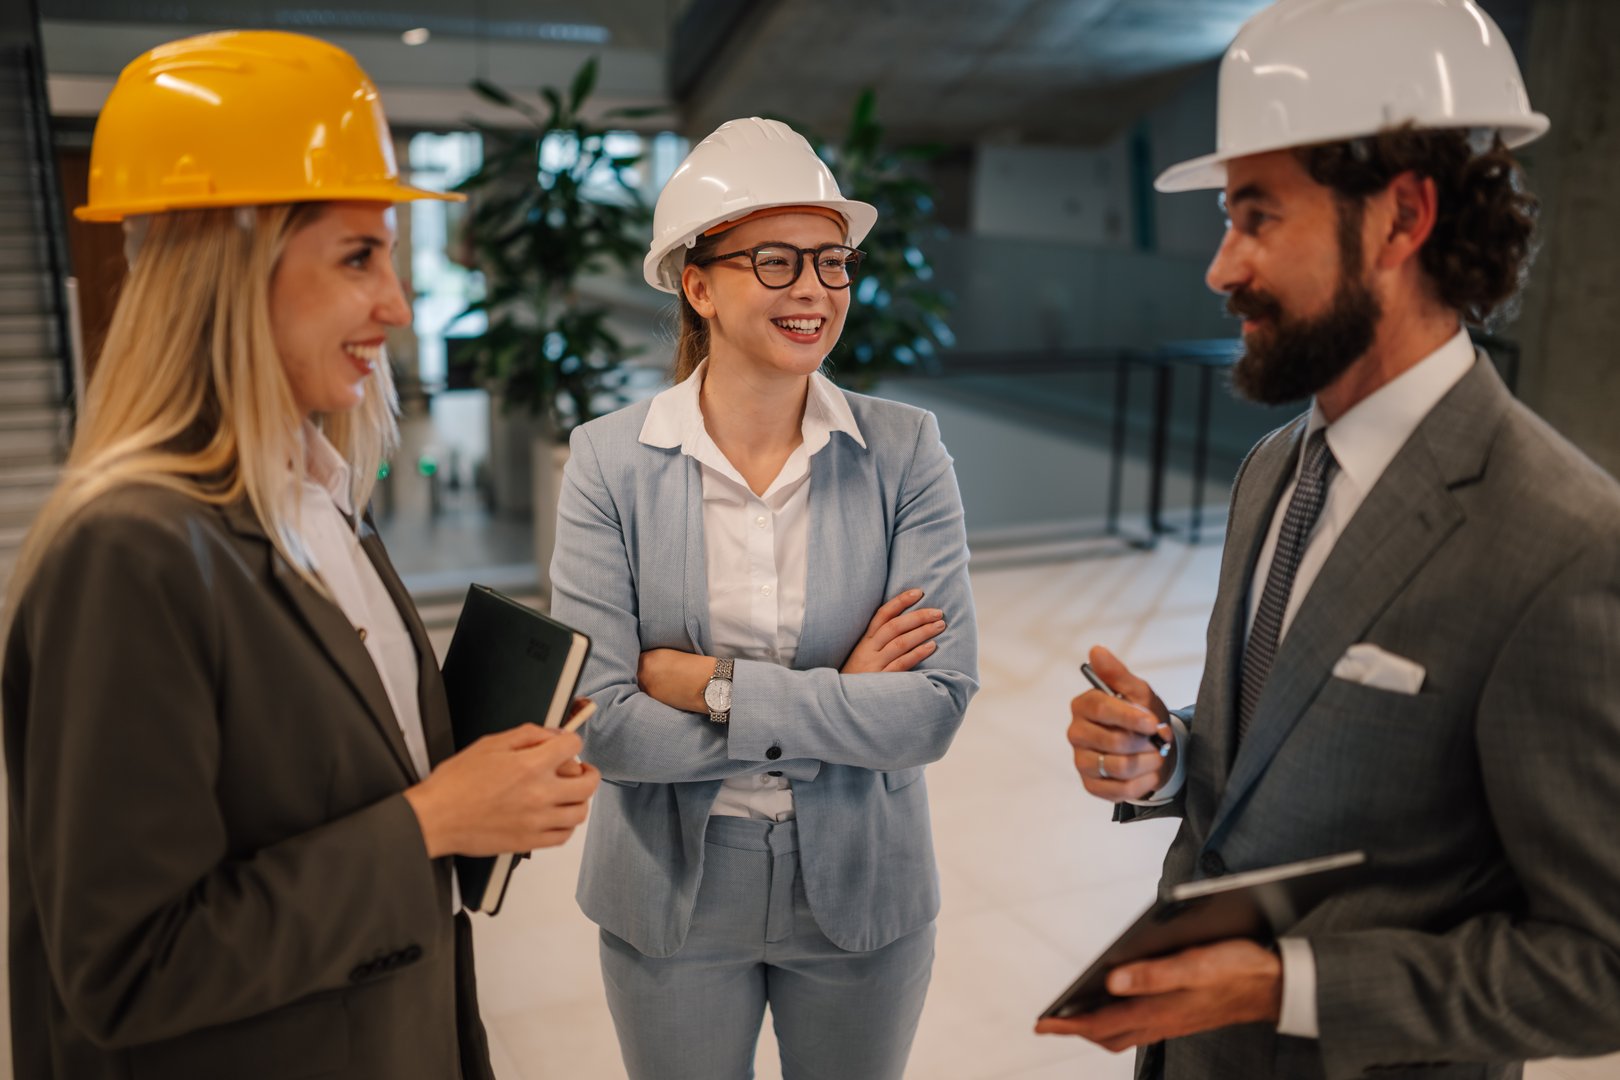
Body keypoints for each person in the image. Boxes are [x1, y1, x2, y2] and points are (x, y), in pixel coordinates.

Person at [2, 30, 599, 1079]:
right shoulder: (128, 556)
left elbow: (327, 775)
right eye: (358, 258)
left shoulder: (321, 498)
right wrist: (432, 817)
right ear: (232, 267)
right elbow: (128, 969)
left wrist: (483, 780)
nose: (399, 308)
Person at [1040, 1, 1620, 1077]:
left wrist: (1284, 985)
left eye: (1256, 218)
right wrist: (1166, 763)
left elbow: (1601, 964)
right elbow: (1269, 763)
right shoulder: (1275, 471)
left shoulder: (1564, 544)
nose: (1220, 267)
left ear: (1401, 219)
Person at [548, 116, 979, 1080]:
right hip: (670, 893)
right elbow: (605, 726)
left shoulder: (905, 453)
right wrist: (841, 697)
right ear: (697, 286)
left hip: (865, 885)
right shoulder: (608, 463)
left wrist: (715, 688)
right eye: (776, 261)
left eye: (833, 263)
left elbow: (932, 709)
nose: (815, 291)